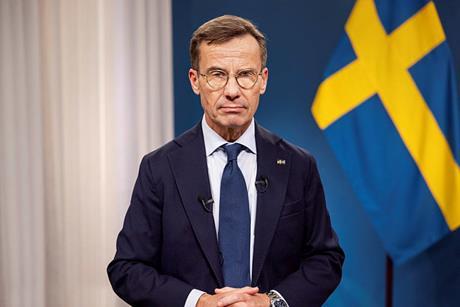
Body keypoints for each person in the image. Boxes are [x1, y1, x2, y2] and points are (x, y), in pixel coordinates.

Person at [107, 15, 344, 307]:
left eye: (245, 74)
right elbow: (127, 269)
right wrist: (198, 302)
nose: (232, 91)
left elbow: (326, 260)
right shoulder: (160, 168)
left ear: (263, 80)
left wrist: (270, 303)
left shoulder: (298, 166)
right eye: (217, 74)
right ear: (195, 81)